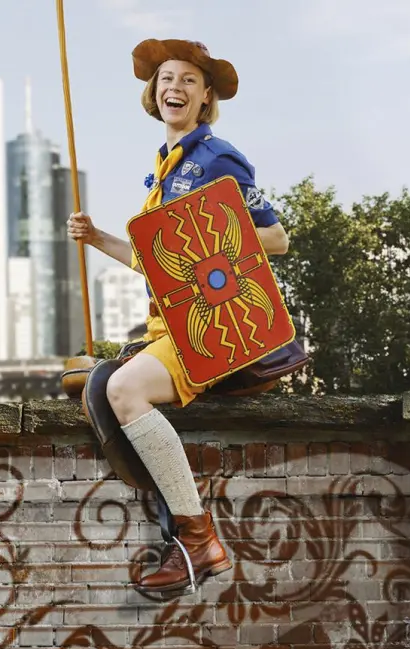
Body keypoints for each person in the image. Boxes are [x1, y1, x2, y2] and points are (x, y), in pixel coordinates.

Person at [67, 39, 290, 597]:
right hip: (163, 324)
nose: (176, 87)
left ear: (206, 96)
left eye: (189, 80)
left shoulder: (218, 158)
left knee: (124, 389)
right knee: (85, 380)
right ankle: (179, 524)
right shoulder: (163, 171)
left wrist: (211, 246)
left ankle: (197, 537)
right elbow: (155, 260)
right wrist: (96, 238)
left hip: (208, 328)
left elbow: (275, 238)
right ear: (154, 91)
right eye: (167, 78)